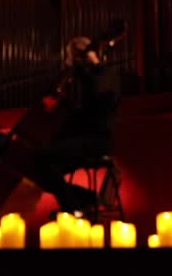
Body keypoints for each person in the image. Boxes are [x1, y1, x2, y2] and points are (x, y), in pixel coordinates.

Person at [35, 35, 122, 214]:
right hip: (79, 139)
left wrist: (92, 63)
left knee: (44, 159)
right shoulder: (79, 80)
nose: (74, 64)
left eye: (77, 58)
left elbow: (101, 96)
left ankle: (73, 209)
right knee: (41, 171)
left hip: (96, 140)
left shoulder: (106, 74)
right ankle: (89, 199)